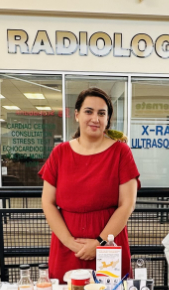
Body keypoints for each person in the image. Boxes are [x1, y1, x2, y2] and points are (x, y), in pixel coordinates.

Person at [39, 88, 140, 280]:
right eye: (89, 111)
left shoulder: (121, 153)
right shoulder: (59, 153)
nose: (95, 118)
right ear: (76, 115)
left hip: (108, 247)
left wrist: (100, 243)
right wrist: (69, 242)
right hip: (67, 247)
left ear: (108, 119)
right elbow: (47, 202)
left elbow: (127, 204)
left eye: (101, 113)